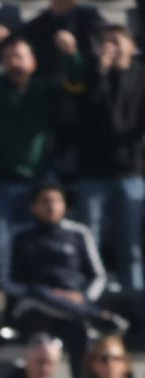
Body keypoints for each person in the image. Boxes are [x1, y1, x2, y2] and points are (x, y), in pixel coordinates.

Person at [0, 27, 83, 327]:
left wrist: (71, 55)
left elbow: (76, 85)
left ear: (33, 62)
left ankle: (36, 315)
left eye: (20, 55)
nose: (15, 60)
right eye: (9, 56)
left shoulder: (44, 90)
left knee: (38, 253)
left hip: (35, 186)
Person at [3, 183, 119, 366]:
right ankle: (95, 315)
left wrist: (82, 296)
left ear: (64, 205)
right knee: (41, 336)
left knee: (84, 344)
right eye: (45, 201)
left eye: (56, 201)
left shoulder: (79, 233)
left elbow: (98, 276)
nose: (51, 206)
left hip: (73, 306)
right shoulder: (19, 236)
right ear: (33, 207)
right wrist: (42, 294)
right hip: (34, 305)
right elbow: (6, 280)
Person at [72, 22, 145, 295]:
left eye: (117, 40)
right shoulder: (90, 76)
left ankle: (135, 303)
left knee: (131, 246)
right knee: (91, 244)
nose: (111, 46)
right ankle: (91, 302)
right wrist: (100, 73)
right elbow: (86, 114)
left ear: (131, 46)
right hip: (93, 172)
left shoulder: (141, 77)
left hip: (130, 172)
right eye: (106, 41)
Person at [21, 0, 108, 72]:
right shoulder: (36, 25)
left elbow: (97, 56)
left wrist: (73, 52)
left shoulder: (90, 18)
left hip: (85, 83)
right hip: (48, 85)